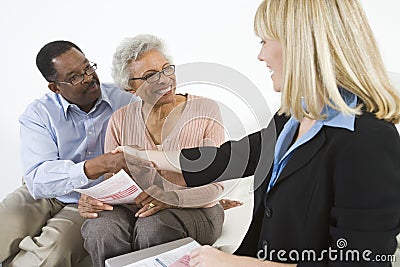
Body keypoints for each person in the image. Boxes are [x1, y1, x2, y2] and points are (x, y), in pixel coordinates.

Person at [116, 0, 400, 266]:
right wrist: (145, 156)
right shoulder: (290, 117)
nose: (260, 54)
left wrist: (235, 264)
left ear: (300, 45)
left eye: (265, 41)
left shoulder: (369, 141)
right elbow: (227, 157)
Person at [78, 34, 240, 267]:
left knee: (154, 225)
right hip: (137, 209)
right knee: (99, 227)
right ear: (129, 88)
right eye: (150, 76)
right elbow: (113, 181)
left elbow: (215, 187)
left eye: (167, 69)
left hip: (198, 211)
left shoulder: (205, 109)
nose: (164, 80)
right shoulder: (120, 120)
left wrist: (170, 198)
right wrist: (94, 199)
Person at [0, 40, 139, 267]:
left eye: (88, 67)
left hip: (90, 201)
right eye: (74, 77)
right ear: (55, 87)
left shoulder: (126, 101)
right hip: (43, 194)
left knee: (51, 251)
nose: (88, 78)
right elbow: (37, 179)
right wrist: (95, 166)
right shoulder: (38, 113)